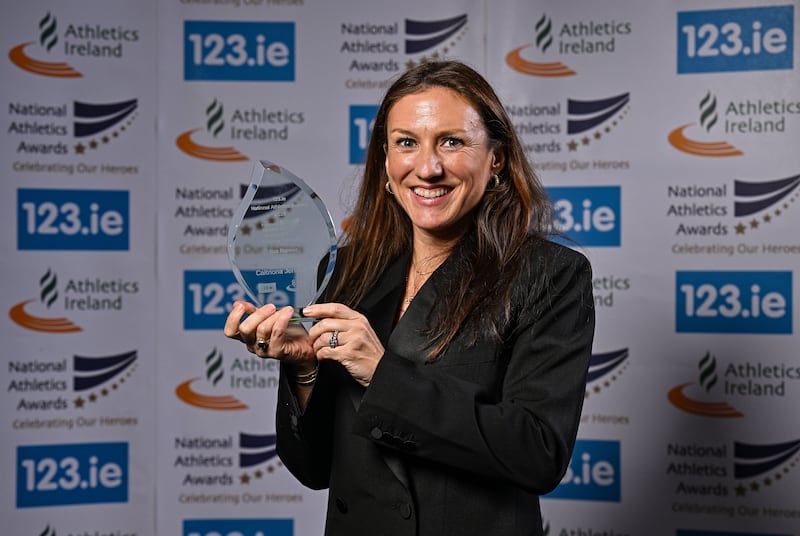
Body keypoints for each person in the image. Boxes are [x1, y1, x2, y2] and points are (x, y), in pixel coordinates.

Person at [224, 60, 595, 536]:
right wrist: (305, 370)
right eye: (406, 143)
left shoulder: (549, 275)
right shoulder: (344, 272)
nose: (428, 168)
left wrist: (382, 374)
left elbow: (538, 453)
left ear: (496, 159)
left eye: (452, 142)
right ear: (385, 160)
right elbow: (312, 469)